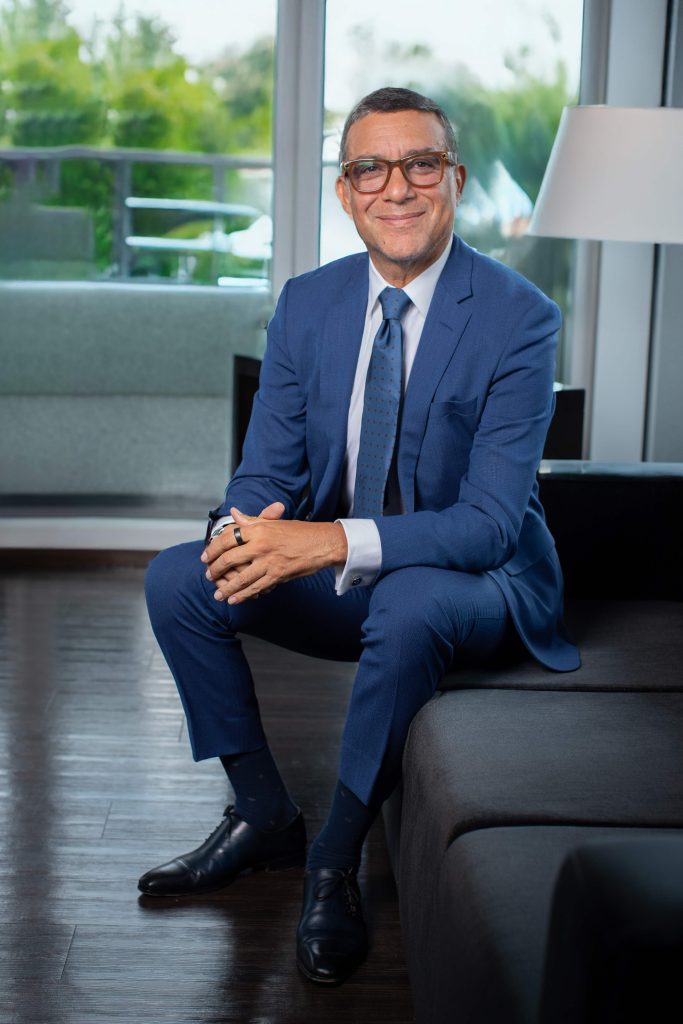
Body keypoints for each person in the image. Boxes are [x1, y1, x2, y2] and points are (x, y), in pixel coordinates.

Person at [139, 86, 580, 985]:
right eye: (370, 168)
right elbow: (264, 471)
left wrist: (328, 542)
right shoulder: (308, 303)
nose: (396, 187)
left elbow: (487, 526)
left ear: (454, 179)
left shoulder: (519, 317)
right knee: (180, 579)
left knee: (411, 600)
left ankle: (333, 862)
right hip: (348, 582)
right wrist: (239, 530)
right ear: (345, 192)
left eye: (421, 163)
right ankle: (264, 816)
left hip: (476, 585)